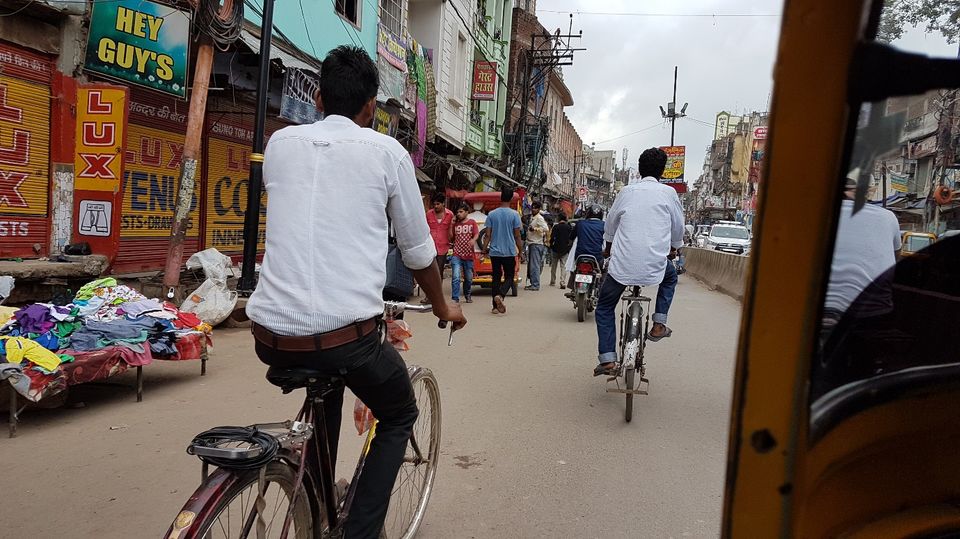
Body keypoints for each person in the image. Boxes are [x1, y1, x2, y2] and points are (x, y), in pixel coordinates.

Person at [246, 46, 466, 539]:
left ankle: (320, 508)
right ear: (371, 109)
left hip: (270, 335)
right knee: (399, 410)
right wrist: (442, 306)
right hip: (345, 335)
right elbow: (417, 251)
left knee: (329, 379)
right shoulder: (386, 152)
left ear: (318, 97)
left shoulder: (280, 143)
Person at [593, 148, 684, 377]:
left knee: (604, 307)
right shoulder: (669, 192)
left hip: (622, 267)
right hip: (656, 265)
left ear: (639, 169)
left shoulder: (626, 191)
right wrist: (673, 247)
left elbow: (611, 225)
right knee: (671, 277)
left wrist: (608, 249)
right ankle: (659, 323)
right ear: (662, 171)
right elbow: (678, 228)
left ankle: (607, 359)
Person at [482, 188, 522, 314]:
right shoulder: (515, 215)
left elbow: (487, 235)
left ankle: (494, 307)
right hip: (509, 251)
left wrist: (484, 249)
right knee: (510, 276)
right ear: (510, 199)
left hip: (495, 252)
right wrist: (520, 250)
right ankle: (501, 295)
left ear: (501, 198)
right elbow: (517, 236)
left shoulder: (492, 214)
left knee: (496, 277)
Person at [565, 205, 607, 294]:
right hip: (597, 256)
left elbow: (571, 238)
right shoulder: (604, 225)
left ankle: (573, 287)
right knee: (604, 270)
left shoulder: (580, 223)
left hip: (580, 255)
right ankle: (601, 291)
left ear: (588, 214)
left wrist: (569, 245)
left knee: (575, 268)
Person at [449, 203, 479, 303]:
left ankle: (467, 294)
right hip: (456, 254)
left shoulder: (472, 222)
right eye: (457, 212)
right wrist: (451, 225)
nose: (458, 214)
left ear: (467, 212)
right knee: (456, 277)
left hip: (468, 255)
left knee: (469, 278)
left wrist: (473, 240)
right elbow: (451, 237)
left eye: (461, 212)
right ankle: (455, 298)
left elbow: (476, 234)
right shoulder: (455, 224)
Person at [426, 192, 453, 281]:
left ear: (443, 204)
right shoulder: (429, 214)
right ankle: (429, 293)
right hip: (430, 246)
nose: (436, 206)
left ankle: (437, 293)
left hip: (443, 247)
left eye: (438, 204)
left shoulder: (450, 215)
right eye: (434, 204)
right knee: (429, 270)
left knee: (439, 270)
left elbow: (451, 230)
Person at [524, 201, 549, 291]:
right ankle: (533, 283)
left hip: (536, 244)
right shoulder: (532, 217)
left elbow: (546, 229)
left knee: (534, 265)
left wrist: (535, 229)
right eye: (532, 207)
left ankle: (535, 284)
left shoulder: (539, 218)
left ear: (538, 209)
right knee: (531, 265)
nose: (533, 209)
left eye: (535, 208)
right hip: (531, 243)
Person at [549, 214, 573, 288]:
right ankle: (562, 282)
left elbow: (552, 237)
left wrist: (551, 245)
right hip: (565, 249)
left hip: (556, 249)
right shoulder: (568, 227)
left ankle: (552, 281)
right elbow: (571, 239)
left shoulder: (556, 227)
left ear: (559, 219)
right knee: (563, 266)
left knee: (554, 266)